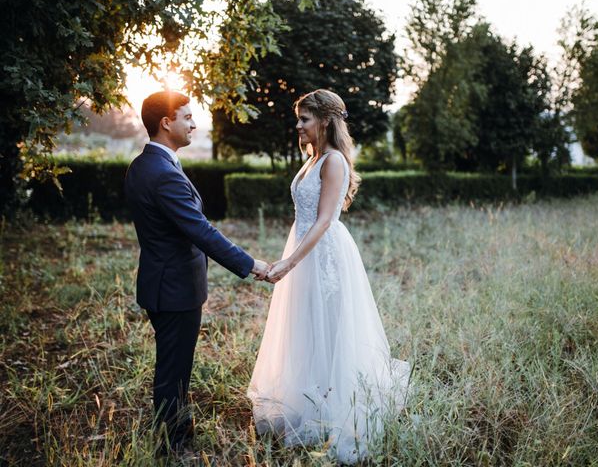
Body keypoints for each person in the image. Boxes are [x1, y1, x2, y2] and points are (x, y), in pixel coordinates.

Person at [248, 89, 409, 463]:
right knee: (306, 324)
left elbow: (324, 221)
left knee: (331, 327)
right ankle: (309, 397)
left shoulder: (333, 160)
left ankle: (337, 407)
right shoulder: (312, 159)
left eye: (304, 119)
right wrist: (289, 258)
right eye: (299, 118)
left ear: (324, 121)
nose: (298, 125)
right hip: (303, 247)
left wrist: (288, 264)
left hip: (325, 256)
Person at [124, 91, 270, 454]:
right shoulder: (163, 173)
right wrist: (250, 264)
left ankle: (178, 430)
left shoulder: (144, 165)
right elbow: (201, 230)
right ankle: (171, 445)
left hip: (162, 282)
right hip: (174, 288)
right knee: (173, 370)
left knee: (174, 365)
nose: (194, 123)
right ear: (166, 123)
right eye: (187, 117)